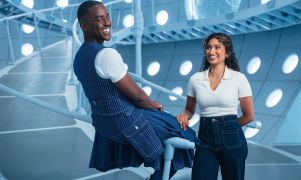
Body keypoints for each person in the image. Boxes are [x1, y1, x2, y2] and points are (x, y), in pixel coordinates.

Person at [73, 1, 197, 179]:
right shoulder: (107, 55)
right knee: (183, 132)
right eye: (99, 19)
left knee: (168, 143)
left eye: (107, 16)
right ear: (84, 26)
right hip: (123, 120)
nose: (107, 23)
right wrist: (155, 106)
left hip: (103, 123)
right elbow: (138, 97)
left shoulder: (78, 58)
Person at [176, 33, 254, 180]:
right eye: (209, 47)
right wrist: (183, 116)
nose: (212, 52)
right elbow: (189, 110)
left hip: (233, 139)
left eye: (217, 47)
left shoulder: (239, 78)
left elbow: (249, 116)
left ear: (228, 52)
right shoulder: (195, 79)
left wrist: (228, 127)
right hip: (205, 139)